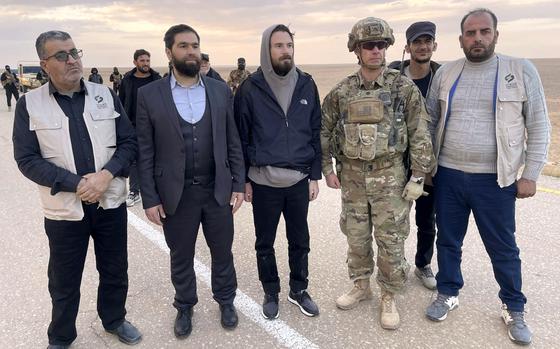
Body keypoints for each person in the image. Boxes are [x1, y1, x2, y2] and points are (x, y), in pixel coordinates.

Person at [425, 8, 550, 346]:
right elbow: (429, 121)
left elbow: (538, 124)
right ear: (461, 39)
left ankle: (514, 306)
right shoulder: (447, 73)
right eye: (470, 33)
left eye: (484, 32)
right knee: (448, 240)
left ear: (496, 34)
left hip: (495, 181)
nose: (477, 38)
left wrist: (531, 174)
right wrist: (426, 168)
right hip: (448, 175)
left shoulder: (520, 70)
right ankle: (447, 292)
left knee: (503, 247)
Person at [12, 30, 141, 348]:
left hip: (109, 203)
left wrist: (106, 176)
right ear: (45, 64)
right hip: (64, 212)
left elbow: (129, 142)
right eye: (61, 55)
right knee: (64, 279)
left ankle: (114, 320)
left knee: (115, 269)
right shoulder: (30, 105)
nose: (72, 60)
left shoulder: (105, 94)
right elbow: (27, 159)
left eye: (74, 52)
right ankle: (61, 335)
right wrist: (78, 184)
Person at [321, 17, 435, 330]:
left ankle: (388, 294)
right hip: (354, 181)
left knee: (391, 241)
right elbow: (325, 128)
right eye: (368, 46)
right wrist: (327, 168)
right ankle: (361, 285)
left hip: (391, 179)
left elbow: (420, 132)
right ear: (356, 50)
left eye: (380, 45)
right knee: (356, 238)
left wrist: (418, 176)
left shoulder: (403, 88)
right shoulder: (343, 92)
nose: (375, 50)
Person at [136, 24, 245, 338]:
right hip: (175, 194)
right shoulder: (149, 95)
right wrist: (150, 197)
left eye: (195, 46)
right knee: (181, 255)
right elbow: (145, 150)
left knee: (222, 251)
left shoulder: (219, 90)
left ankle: (226, 300)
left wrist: (238, 183)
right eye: (183, 46)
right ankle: (184, 305)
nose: (191, 52)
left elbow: (232, 140)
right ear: (169, 52)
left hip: (217, 190)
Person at [235, 24, 322, 320]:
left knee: (300, 241)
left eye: (289, 45)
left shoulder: (307, 84)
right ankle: (270, 290)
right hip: (263, 183)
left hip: (298, 180)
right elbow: (241, 137)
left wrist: (314, 175)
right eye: (278, 46)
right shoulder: (250, 88)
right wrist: (244, 179)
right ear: (266, 50)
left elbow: (315, 130)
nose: (285, 51)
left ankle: (298, 289)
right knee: (265, 242)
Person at [387, 21, 440, 290]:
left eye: (427, 41)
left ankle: (423, 264)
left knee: (426, 219)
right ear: (407, 47)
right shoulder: (392, 76)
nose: (423, 46)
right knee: (395, 220)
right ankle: (397, 264)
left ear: (434, 45)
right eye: (417, 42)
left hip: (428, 162)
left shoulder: (442, 76)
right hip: (396, 161)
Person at [119, 49, 162, 207]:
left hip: (155, 125)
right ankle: (134, 191)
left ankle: (156, 190)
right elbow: (121, 102)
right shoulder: (128, 80)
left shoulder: (156, 79)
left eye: (148, 61)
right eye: (142, 61)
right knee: (135, 160)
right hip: (133, 125)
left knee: (156, 158)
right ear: (135, 62)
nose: (145, 64)